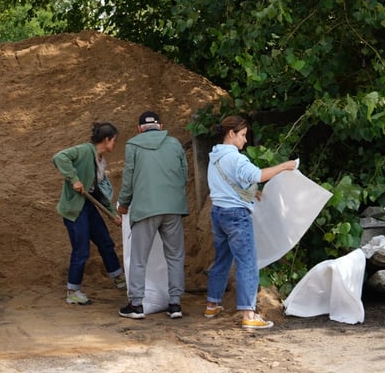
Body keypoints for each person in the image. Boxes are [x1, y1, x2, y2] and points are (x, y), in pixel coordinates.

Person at [204, 115, 297, 330]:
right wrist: (284, 166)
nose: (245, 140)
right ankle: (248, 314)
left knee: (222, 260)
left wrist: (250, 193)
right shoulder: (236, 159)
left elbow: (226, 184)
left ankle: (212, 305)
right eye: (243, 135)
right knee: (247, 263)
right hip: (236, 216)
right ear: (231, 134)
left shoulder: (215, 156)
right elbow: (258, 175)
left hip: (218, 213)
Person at [116, 111, 189, 320]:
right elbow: (184, 175)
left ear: (139, 128)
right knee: (175, 256)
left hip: (145, 209)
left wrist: (124, 203)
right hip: (173, 208)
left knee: (139, 258)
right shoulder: (174, 143)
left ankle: (136, 305)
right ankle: (175, 304)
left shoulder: (133, 145)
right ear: (161, 126)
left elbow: (128, 178)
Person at [53, 122, 126, 306]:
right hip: (74, 209)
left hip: (88, 206)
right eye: (114, 140)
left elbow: (98, 191)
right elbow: (60, 157)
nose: (115, 144)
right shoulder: (85, 150)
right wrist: (74, 179)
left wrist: (112, 213)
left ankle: (118, 277)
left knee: (105, 241)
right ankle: (72, 291)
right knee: (81, 250)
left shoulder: (100, 161)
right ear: (107, 139)